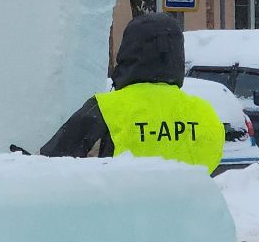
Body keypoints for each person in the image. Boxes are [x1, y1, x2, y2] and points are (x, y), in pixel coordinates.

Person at [39, 13, 224, 173]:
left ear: (129, 53)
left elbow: (53, 162)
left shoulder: (104, 109)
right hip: (187, 212)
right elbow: (210, 162)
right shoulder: (205, 114)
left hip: (118, 211)